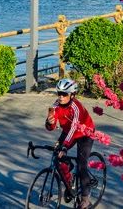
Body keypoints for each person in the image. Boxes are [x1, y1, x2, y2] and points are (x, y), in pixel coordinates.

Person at [46, 78, 95, 209]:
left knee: (82, 166)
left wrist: (65, 147)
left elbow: (74, 128)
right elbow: (51, 127)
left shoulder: (76, 107)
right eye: (59, 93)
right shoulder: (55, 105)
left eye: (64, 94)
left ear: (72, 95)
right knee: (57, 157)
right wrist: (49, 123)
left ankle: (85, 199)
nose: (60, 97)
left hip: (85, 133)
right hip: (68, 132)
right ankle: (69, 179)